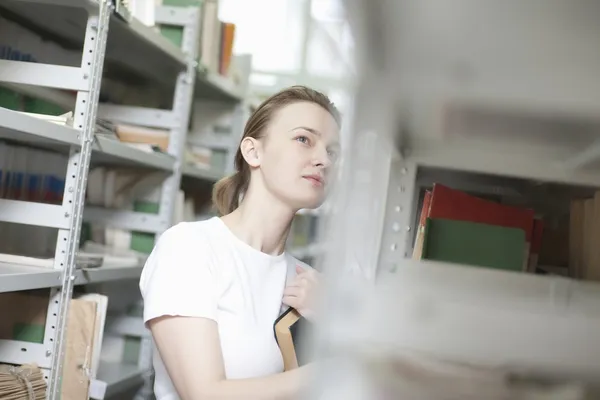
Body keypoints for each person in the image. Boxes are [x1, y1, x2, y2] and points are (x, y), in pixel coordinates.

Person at [139, 85, 341, 400]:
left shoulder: (309, 282)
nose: (323, 160)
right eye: (304, 139)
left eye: (333, 151)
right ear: (253, 152)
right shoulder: (189, 248)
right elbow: (204, 394)